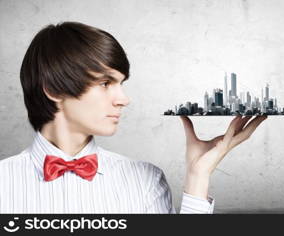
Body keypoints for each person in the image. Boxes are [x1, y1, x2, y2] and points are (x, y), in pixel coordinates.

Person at [0, 22, 267, 213]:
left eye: (121, 83)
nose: (123, 99)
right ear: (54, 89)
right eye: (105, 83)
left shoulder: (145, 180)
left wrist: (198, 177)